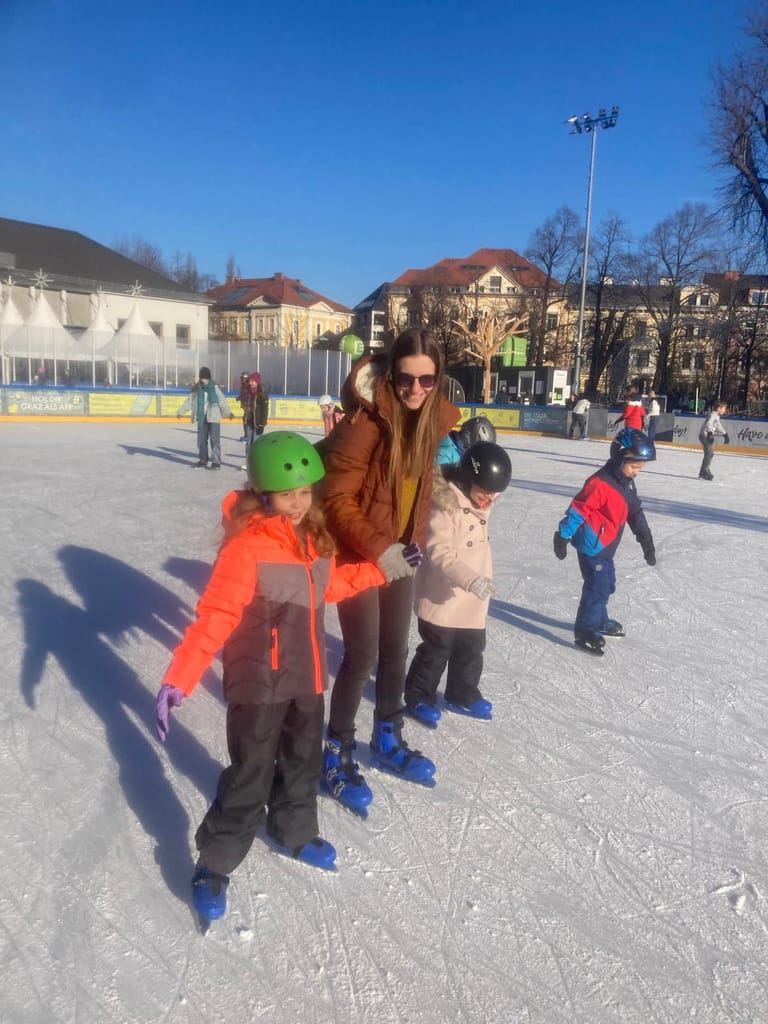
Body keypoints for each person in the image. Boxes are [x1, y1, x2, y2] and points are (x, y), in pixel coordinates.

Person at [154, 432, 385, 925]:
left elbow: (331, 586)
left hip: (307, 678)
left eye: (304, 492)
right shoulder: (246, 550)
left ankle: (293, 831)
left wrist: (381, 570)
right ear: (262, 494)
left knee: (302, 763)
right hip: (258, 683)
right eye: (286, 494)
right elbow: (216, 614)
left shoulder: (314, 541)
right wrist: (180, 676)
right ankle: (215, 863)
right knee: (251, 774)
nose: (299, 503)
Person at [318, 327, 460, 813]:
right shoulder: (365, 422)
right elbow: (336, 498)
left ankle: (386, 735)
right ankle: (336, 750)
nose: (415, 389)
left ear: (438, 379)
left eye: (427, 379)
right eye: (406, 378)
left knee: (395, 650)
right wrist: (381, 550)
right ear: (391, 374)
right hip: (360, 554)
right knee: (361, 656)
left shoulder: (431, 420)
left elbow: (416, 489)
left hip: (402, 553)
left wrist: (413, 542)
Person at [403, 441, 512, 727]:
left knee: (471, 649)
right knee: (436, 651)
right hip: (441, 594)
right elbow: (439, 551)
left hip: (473, 596)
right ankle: (418, 695)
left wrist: (477, 581)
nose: (488, 500)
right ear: (466, 480)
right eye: (484, 493)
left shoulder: (478, 500)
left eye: (493, 494)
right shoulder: (445, 506)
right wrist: (470, 579)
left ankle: (462, 692)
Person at [552, 427, 657, 656]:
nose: (636, 472)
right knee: (596, 587)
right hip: (592, 545)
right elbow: (578, 510)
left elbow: (635, 511)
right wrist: (563, 534)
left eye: (640, 468)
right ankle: (586, 631)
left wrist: (645, 538)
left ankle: (599, 620)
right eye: (634, 467)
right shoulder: (599, 483)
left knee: (607, 584)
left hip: (606, 546)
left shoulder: (626, 482)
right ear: (620, 457)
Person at [177, 366, 236, 469]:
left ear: (209, 378)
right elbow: (189, 402)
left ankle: (216, 462)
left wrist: (227, 413)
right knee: (201, 441)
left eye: (205, 378)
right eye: (202, 378)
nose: (204, 380)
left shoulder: (215, 388)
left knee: (214, 440)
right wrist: (181, 412)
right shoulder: (196, 390)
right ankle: (203, 460)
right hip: (201, 417)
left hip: (214, 417)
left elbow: (222, 402)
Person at [698, 400, 730, 480]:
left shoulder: (717, 416)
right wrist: (709, 433)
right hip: (704, 435)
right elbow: (709, 423)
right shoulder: (713, 414)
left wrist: (725, 434)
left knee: (710, 453)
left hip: (707, 436)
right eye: (724, 409)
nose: (724, 411)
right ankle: (704, 471)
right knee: (709, 453)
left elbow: (718, 426)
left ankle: (703, 471)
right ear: (719, 408)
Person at [237, 371, 251, 440]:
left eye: (244, 378)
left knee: (246, 420)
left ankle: (248, 436)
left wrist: (241, 397)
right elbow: (243, 394)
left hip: (248, 405)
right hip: (245, 405)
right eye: (242, 378)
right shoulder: (243, 386)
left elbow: (248, 395)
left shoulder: (248, 386)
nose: (242, 380)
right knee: (244, 420)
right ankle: (246, 435)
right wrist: (239, 397)